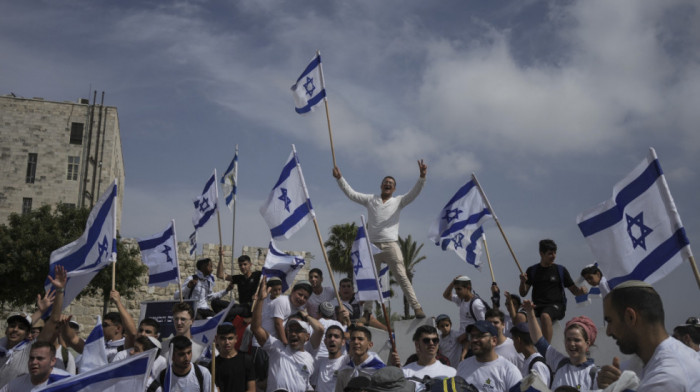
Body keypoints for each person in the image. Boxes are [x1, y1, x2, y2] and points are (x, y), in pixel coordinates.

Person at [332, 160, 427, 319]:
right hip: (372, 246)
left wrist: (422, 177)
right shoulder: (371, 199)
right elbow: (352, 194)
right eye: (385, 182)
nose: (388, 184)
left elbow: (414, 193)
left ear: (394, 188)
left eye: (391, 183)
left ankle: (416, 307)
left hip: (390, 245)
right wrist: (340, 178)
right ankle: (368, 313)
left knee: (402, 277)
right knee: (371, 280)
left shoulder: (399, 201)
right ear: (381, 185)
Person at [597, 280, 700, 391]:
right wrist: (614, 383)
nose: (608, 332)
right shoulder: (642, 363)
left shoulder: (668, 375)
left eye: (610, 321)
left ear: (630, 317)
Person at [251, 277, 323, 392]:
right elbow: (264, 327)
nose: (301, 298)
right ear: (293, 291)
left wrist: (306, 316)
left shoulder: (310, 356)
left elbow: (320, 329)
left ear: (307, 337)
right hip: (263, 346)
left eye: (299, 330)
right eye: (291, 329)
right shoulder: (278, 348)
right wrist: (260, 300)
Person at [0, 266, 67, 388]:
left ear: (28, 335)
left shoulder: (29, 350)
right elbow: (26, 322)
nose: (15, 329)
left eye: (20, 328)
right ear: (6, 329)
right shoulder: (2, 346)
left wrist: (60, 290)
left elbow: (53, 321)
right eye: (12, 326)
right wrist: (40, 312)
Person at [519, 239, 586, 343]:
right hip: (537, 306)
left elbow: (574, 290)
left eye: (555, 253)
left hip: (556, 305)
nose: (553, 256)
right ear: (541, 254)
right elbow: (523, 293)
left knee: (545, 316)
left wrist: (581, 291)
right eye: (550, 253)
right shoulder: (532, 270)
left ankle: (546, 350)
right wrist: (522, 282)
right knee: (520, 316)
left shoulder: (560, 270)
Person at [523, 299, 598, 390]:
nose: (572, 344)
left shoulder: (595, 374)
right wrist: (530, 313)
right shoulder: (559, 362)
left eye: (577, 340)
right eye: (568, 339)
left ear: (587, 343)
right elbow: (539, 341)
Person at [455, 321, 522, 391]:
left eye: (480, 336)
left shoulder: (509, 371)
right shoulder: (462, 366)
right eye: (472, 336)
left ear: (494, 340)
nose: (474, 340)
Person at [390, 325, 456, 386]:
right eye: (426, 340)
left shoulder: (451, 373)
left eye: (435, 340)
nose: (431, 343)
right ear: (417, 344)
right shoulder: (405, 373)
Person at [442, 275, 488, 358]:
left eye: (459, 289)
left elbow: (484, 325)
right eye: (455, 289)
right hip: (464, 346)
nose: (456, 292)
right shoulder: (461, 300)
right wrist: (453, 282)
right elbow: (446, 295)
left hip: (474, 346)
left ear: (468, 288)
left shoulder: (476, 304)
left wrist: (466, 335)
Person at [0, 341, 70, 392]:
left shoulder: (66, 381)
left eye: (40, 358)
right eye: (31, 358)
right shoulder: (16, 384)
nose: (34, 362)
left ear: (52, 361)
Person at [335, 326, 386, 392]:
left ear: (370, 345)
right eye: (353, 339)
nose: (356, 342)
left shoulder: (380, 371)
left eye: (360, 339)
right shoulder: (344, 370)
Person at [211, 323, 255, 392]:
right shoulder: (213, 365)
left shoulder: (246, 360)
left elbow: (252, 389)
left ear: (236, 339)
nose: (227, 342)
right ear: (216, 339)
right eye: (223, 338)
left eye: (230, 338)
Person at [269, 280, 313, 344]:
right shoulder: (282, 301)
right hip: (264, 344)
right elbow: (278, 324)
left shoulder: (300, 310)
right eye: (300, 294)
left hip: (277, 346)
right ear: (292, 291)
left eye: (305, 297)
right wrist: (286, 344)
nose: (301, 299)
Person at [509, 323, 551, 388]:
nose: (513, 344)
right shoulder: (528, 361)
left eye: (513, 340)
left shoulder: (537, 365)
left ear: (518, 340)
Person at [312, 325, 348, 392]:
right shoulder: (319, 362)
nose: (332, 339)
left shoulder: (347, 362)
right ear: (325, 341)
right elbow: (313, 386)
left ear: (343, 342)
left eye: (336, 336)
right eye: (329, 336)